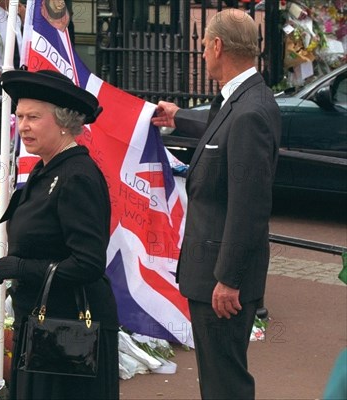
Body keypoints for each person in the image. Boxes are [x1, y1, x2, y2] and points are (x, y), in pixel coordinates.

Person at [151, 9, 281, 399]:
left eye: (204, 45)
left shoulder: (250, 112)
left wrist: (229, 278)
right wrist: (178, 117)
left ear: (218, 45)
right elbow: (217, 125)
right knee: (216, 378)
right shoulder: (242, 98)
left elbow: (249, 206)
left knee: (224, 383)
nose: (203, 53)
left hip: (221, 280)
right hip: (213, 273)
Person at [0, 69, 119, 400]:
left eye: (33, 117)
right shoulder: (46, 168)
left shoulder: (77, 176)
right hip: (41, 324)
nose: (23, 126)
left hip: (68, 330)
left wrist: (20, 268)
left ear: (63, 121)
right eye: (19, 116)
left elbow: (88, 263)